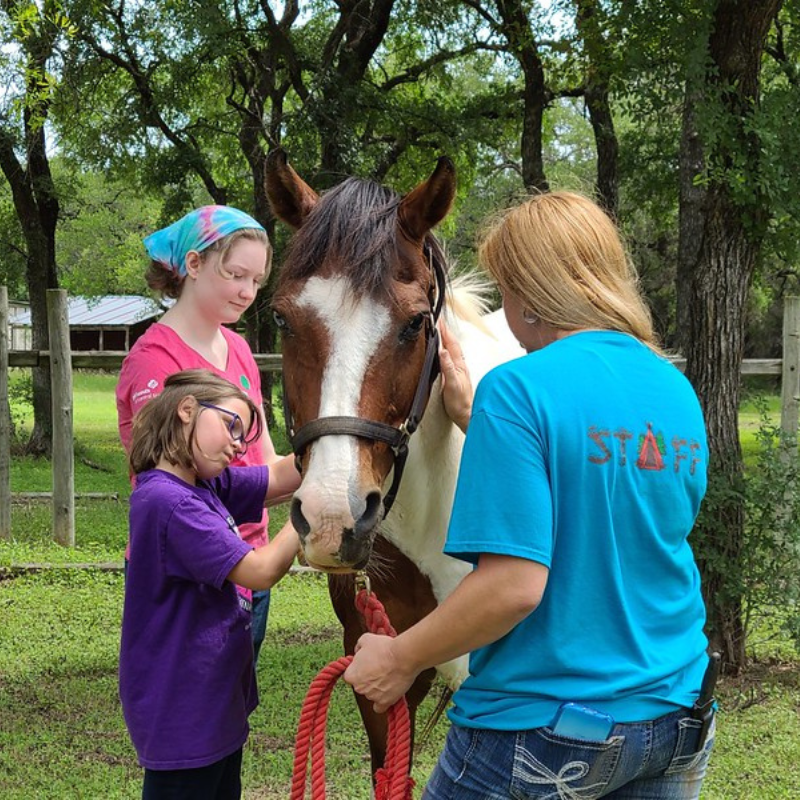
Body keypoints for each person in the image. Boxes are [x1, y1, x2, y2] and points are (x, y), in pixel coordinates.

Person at [344, 191, 715, 799]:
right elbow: (605, 507)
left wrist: (400, 656)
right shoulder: (674, 388)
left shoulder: (516, 389)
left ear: (527, 290)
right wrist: (476, 423)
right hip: (676, 714)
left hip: (542, 731)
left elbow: (514, 587)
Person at [116, 204, 300, 664]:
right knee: (193, 717)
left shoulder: (237, 348)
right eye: (236, 274)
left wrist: (336, 455)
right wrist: (307, 515)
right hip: (192, 572)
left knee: (229, 712)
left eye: (257, 282)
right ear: (194, 264)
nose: (247, 292)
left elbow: (264, 466)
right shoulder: (154, 363)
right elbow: (179, 488)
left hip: (249, 565)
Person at [120, 369, 301, 800]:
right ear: (187, 410)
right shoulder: (169, 502)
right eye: (231, 426)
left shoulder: (203, 484)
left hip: (214, 706)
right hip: (184, 715)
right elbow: (260, 570)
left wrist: (337, 438)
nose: (239, 445)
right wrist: (310, 510)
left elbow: (278, 478)